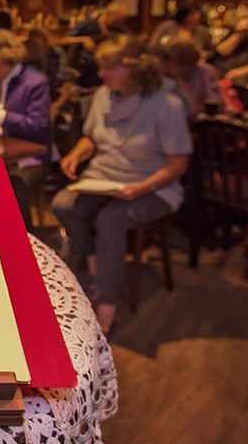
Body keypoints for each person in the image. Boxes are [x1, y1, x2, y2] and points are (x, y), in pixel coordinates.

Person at [52, 37, 192, 334]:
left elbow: (178, 164)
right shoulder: (104, 95)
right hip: (106, 178)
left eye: (110, 67)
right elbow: (91, 138)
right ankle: (96, 269)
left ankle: (107, 305)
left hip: (152, 186)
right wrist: (76, 154)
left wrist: (139, 189)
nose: (101, 74)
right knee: (64, 204)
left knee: (110, 220)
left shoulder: (167, 105)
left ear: (135, 69)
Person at [0, 30, 50, 231]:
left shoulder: (35, 82)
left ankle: (21, 238)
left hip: (28, 156)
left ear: (0, 57)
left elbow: (37, 126)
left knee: (11, 182)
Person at [63, 3, 130, 88]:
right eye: (117, 20)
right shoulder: (88, 24)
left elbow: (129, 42)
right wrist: (83, 39)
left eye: (121, 21)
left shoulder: (119, 27)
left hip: (107, 67)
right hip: (85, 68)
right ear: (108, 14)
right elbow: (64, 39)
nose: (119, 23)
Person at [157, 36, 220, 116]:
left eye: (189, 63)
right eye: (180, 63)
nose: (185, 68)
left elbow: (213, 102)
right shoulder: (164, 78)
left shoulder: (207, 72)